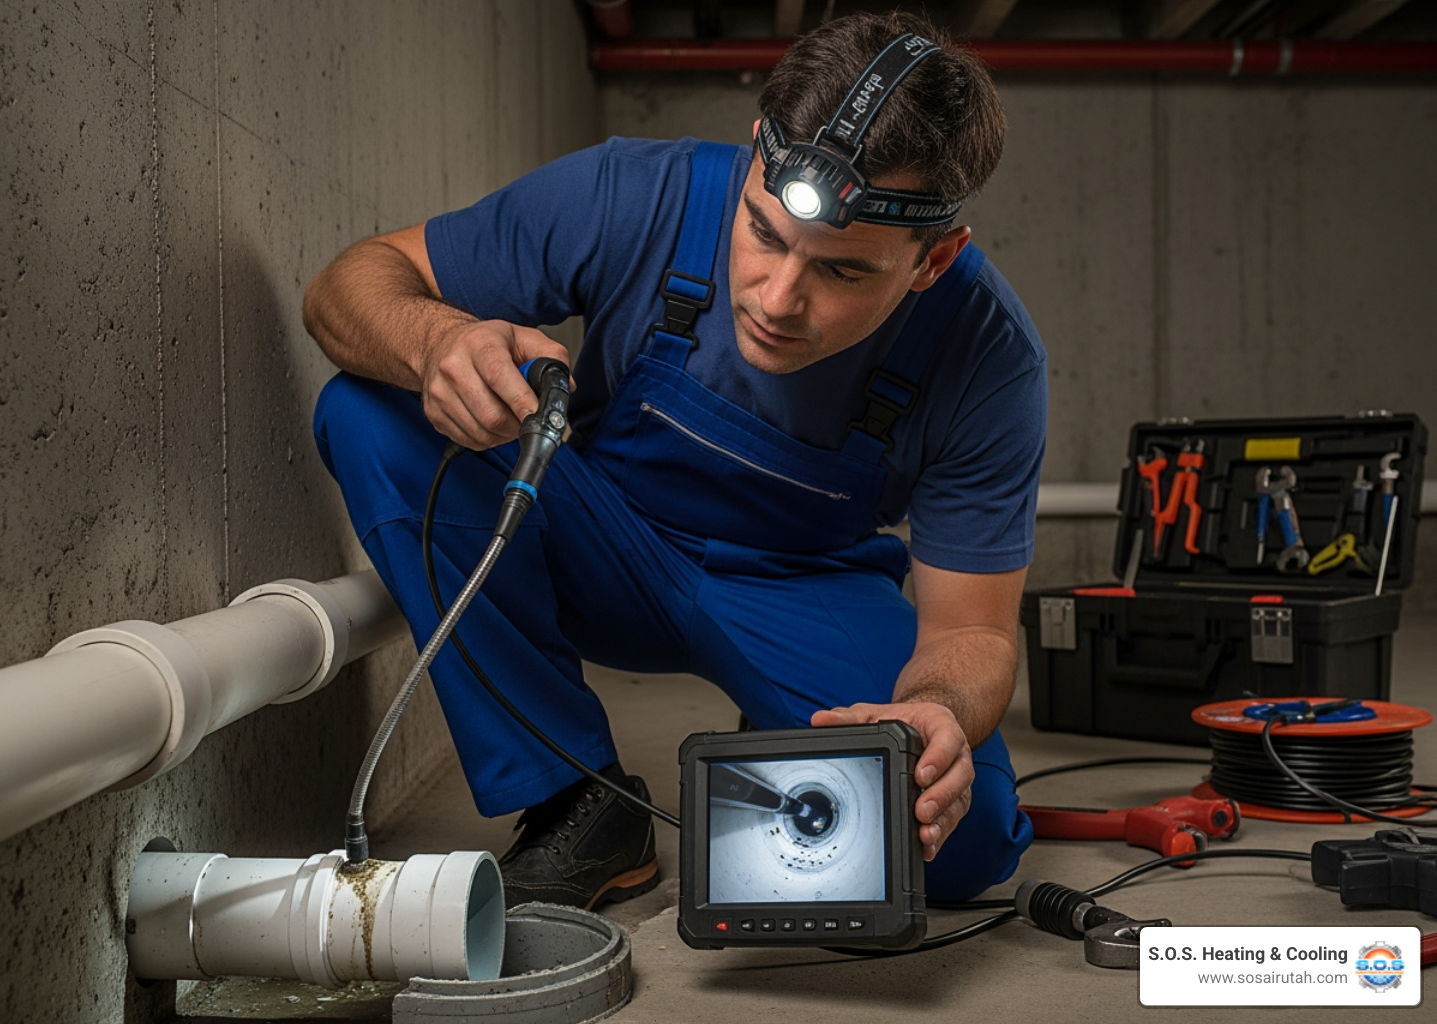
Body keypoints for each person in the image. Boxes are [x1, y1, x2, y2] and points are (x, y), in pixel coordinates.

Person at [303, 11, 1044, 911]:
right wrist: (439, 342)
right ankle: (577, 801)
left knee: (954, 842)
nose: (778, 299)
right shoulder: (633, 192)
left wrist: (932, 710)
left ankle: (789, 726)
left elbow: (971, 634)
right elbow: (351, 284)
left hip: (801, 588)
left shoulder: (988, 353)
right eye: (765, 234)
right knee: (371, 405)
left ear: (932, 260)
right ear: (753, 162)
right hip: (602, 544)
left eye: (844, 273)